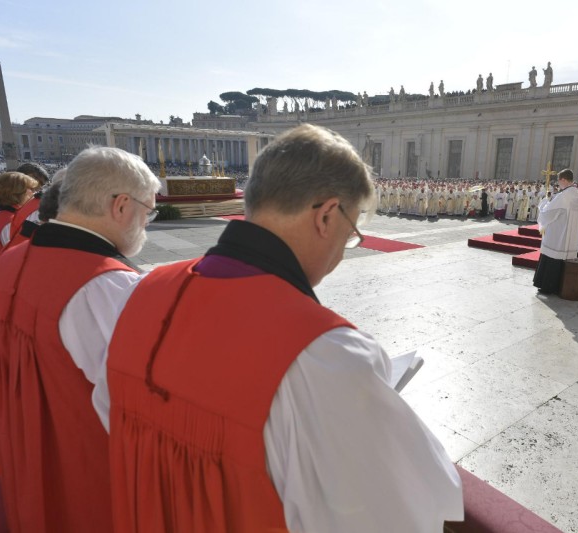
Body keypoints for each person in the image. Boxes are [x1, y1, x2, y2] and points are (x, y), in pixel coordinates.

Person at [104, 124, 463, 532]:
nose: (342, 253)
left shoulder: (139, 293)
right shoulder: (325, 354)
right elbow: (409, 509)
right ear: (327, 216)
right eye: (351, 234)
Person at [0, 146, 160, 532]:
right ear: (121, 206)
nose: (146, 224)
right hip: (88, 480)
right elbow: (140, 416)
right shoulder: (110, 287)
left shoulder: (10, 262)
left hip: (26, 461)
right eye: (148, 211)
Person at [533, 169, 578, 294]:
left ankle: (548, 286)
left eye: (559, 180)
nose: (558, 183)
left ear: (564, 180)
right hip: (571, 235)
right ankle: (561, 286)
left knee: (552, 256)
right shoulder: (577, 194)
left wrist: (544, 203)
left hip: (558, 233)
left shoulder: (563, 196)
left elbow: (548, 213)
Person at [0, 171, 39, 270]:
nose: (33, 193)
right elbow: (21, 255)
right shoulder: (9, 220)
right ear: (17, 192)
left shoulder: (1, 215)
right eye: (30, 189)